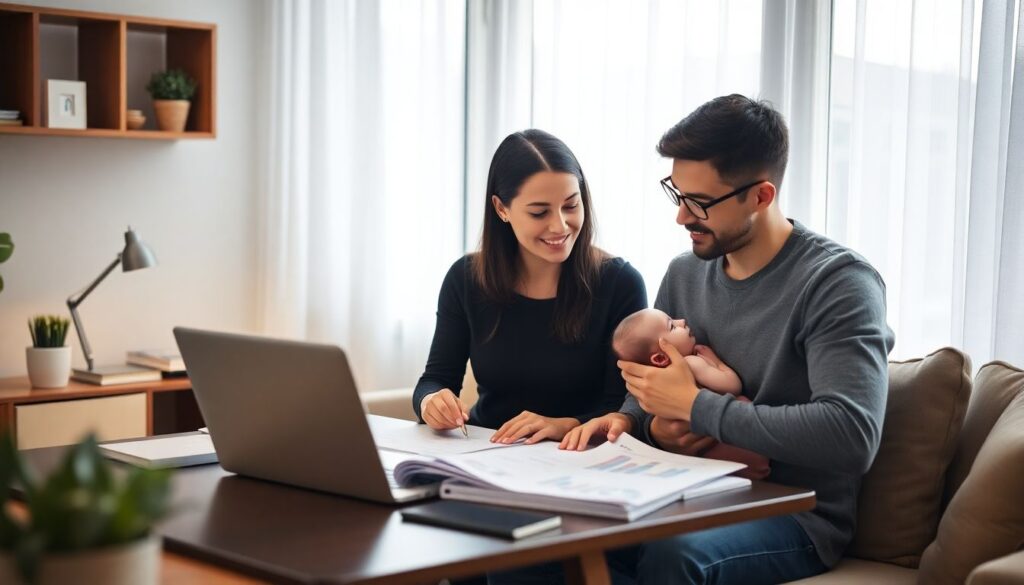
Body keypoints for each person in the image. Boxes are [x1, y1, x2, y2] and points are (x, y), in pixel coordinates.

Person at [573, 94, 894, 584]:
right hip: (686, 488)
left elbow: (851, 434)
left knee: (672, 554)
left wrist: (699, 410)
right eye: (675, 193)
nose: (681, 216)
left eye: (699, 202)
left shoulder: (838, 283)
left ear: (761, 197)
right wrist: (634, 422)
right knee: (558, 538)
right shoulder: (684, 274)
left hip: (794, 515)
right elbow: (653, 394)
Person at [412, 128, 647, 448]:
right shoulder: (465, 279)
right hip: (486, 450)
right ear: (501, 209)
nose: (560, 226)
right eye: (539, 212)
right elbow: (435, 379)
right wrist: (431, 403)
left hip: (577, 458)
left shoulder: (619, 283)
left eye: (571, 206)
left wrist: (565, 425)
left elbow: (624, 407)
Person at [562, 308, 770, 481]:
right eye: (672, 325)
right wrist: (715, 361)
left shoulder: (655, 382)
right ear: (660, 358)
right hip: (718, 437)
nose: (681, 321)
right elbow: (732, 385)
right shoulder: (691, 363)